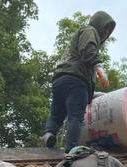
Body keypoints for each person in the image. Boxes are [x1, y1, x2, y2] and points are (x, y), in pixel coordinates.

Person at [42, 12, 116, 152]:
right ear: (99, 23)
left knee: (56, 115)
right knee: (75, 117)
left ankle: (48, 134)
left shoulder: (79, 37)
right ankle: (72, 150)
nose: (106, 33)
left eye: (109, 31)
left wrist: (93, 94)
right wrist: (98, 67)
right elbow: (88, 50)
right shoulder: (90, 31)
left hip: (60, 80)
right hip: (76, 81)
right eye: (105, 28)